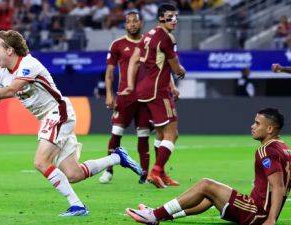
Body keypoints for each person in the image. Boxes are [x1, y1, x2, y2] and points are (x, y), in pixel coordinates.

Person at [0, 30, 142, 216]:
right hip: (50, 117)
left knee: (40, 161)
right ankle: (117, 157)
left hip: (58, 112)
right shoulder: (3, 73)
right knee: (73, 174)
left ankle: (77, 205)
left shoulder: (28, 64)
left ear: (10, 50)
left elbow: (11, 90)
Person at [126, 108, 291, 225]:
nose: (252, 126)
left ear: (269, 128)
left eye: (257, 123)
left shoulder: (266, 150)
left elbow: (279, 186)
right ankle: (161, 214)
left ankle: (153, 215)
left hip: (257, 213)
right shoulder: (284, 147)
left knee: (206, 184)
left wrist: (271, 219)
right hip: (258, 210)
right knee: (210, 194)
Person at [120, 4, 185, 188]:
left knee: (161, 133)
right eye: (170, 16)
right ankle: (155, 171)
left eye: (175, 16)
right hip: (158, 91)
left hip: (146, 89)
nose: (174, 20)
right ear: (160, 18)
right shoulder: (166, 38)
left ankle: (161, 174)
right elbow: (175, 67)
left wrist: (132, 85)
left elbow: (140, 60)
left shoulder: (149, 34)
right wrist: (182, 71)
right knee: (173, 134)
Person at [99, 11, 152, 184]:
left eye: (135, 21)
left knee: (143, 135)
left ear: (141, 23)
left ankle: (145, 174)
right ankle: (108, 170)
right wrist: (109, 94)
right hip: (125, 96)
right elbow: (109, 73)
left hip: (145, 97)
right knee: (117, 133)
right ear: (125, 25)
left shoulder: (149, 43)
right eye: (129, 22)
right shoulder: (117, 44)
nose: (132, 24)